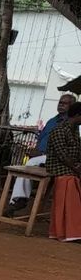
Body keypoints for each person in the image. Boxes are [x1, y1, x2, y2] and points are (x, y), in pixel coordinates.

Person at [6, 93, 76, 216]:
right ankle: (16, 201)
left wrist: (42, 152)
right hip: (41, 156)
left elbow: (64, 148)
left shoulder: (70, 124)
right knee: (26, 166)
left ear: (72, 106)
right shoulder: (52, 121)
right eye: (60, 102)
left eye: (65, 103)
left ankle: (19, 199)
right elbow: (41, 138)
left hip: (55, 158)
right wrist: (36, 150)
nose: (61, 105)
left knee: (29, 165)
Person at [47, 100, 81, 242]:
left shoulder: (75, 131)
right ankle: (69, 232)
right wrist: (76, 168)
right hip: (59, 166)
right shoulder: (59, 130)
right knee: (70, 182)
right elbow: (62, 155)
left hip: (72, 166)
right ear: (78, 115)